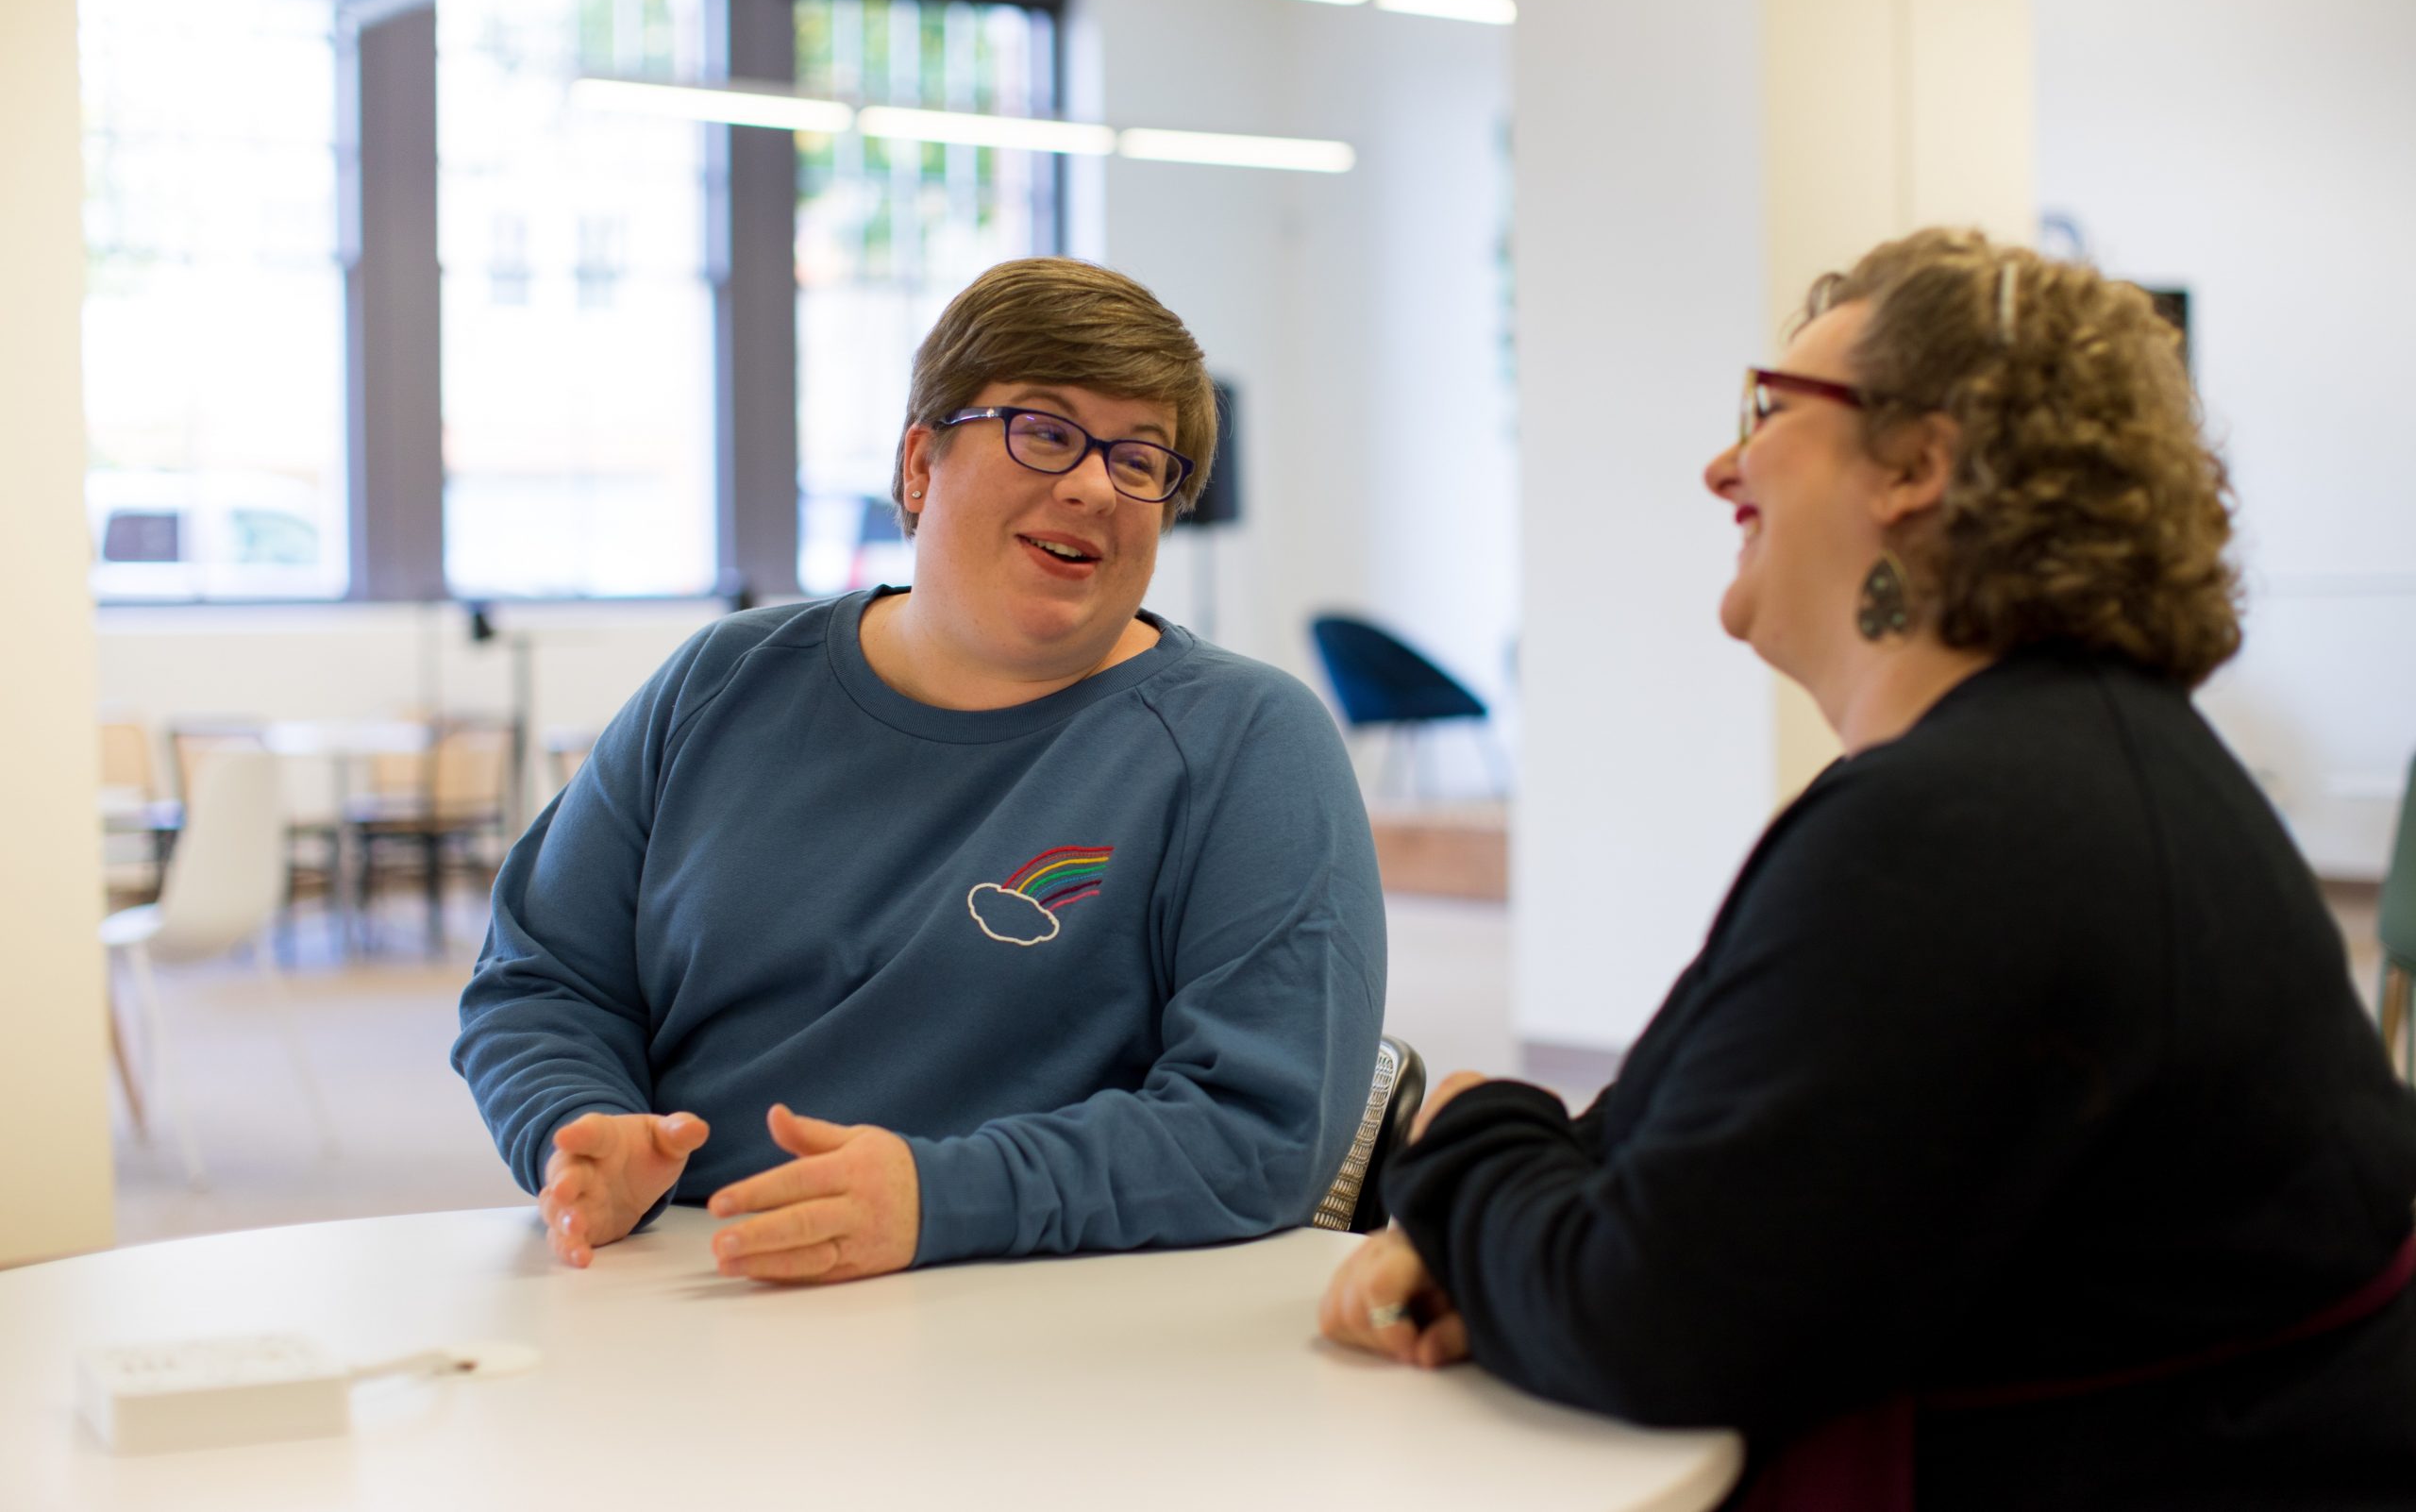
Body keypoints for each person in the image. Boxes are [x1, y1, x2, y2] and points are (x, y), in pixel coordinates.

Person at [1318, 228, 2416, 1507]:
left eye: (1769, 411)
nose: (1722, 462)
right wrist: (1501, 1221)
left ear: (1916, 464)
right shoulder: (2059, 758)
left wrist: (1460, 1134)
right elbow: (1671, 1159)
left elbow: (1647, 1322)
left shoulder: (1970, 824)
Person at [456, 257, 1384, 1285]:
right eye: (1043, 431)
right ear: (917, 464)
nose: (1089, 484)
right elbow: (544, 976)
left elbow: (1267, 1129)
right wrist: (577, 1126)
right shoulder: (726, 681)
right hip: (683, 1292)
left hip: (1032, 1328)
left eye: (1138, 461)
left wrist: (942, 1198)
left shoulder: (1245, 744)